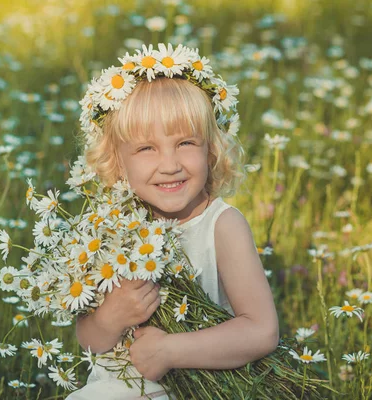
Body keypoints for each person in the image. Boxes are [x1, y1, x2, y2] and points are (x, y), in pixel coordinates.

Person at [67, 44, 279, 400]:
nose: (169, 165)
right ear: (118, 161)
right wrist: (109, 316)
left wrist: (170, 351)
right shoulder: (114, 229)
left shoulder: (222, 226)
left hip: (201, 383)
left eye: (185, 143)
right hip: (119, 385)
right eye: (146, 149)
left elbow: (261, 331)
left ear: (211, 150)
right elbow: (90, 341)